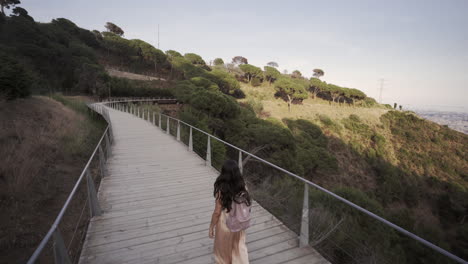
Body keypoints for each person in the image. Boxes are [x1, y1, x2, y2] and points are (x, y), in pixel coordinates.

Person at [209, 160, 251, 264]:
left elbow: (217, 212)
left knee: (223, 254)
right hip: (238, 223)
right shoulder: (243, 186)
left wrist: (211, 227)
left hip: (225, 225)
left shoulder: (222, 189)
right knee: (238, 250)